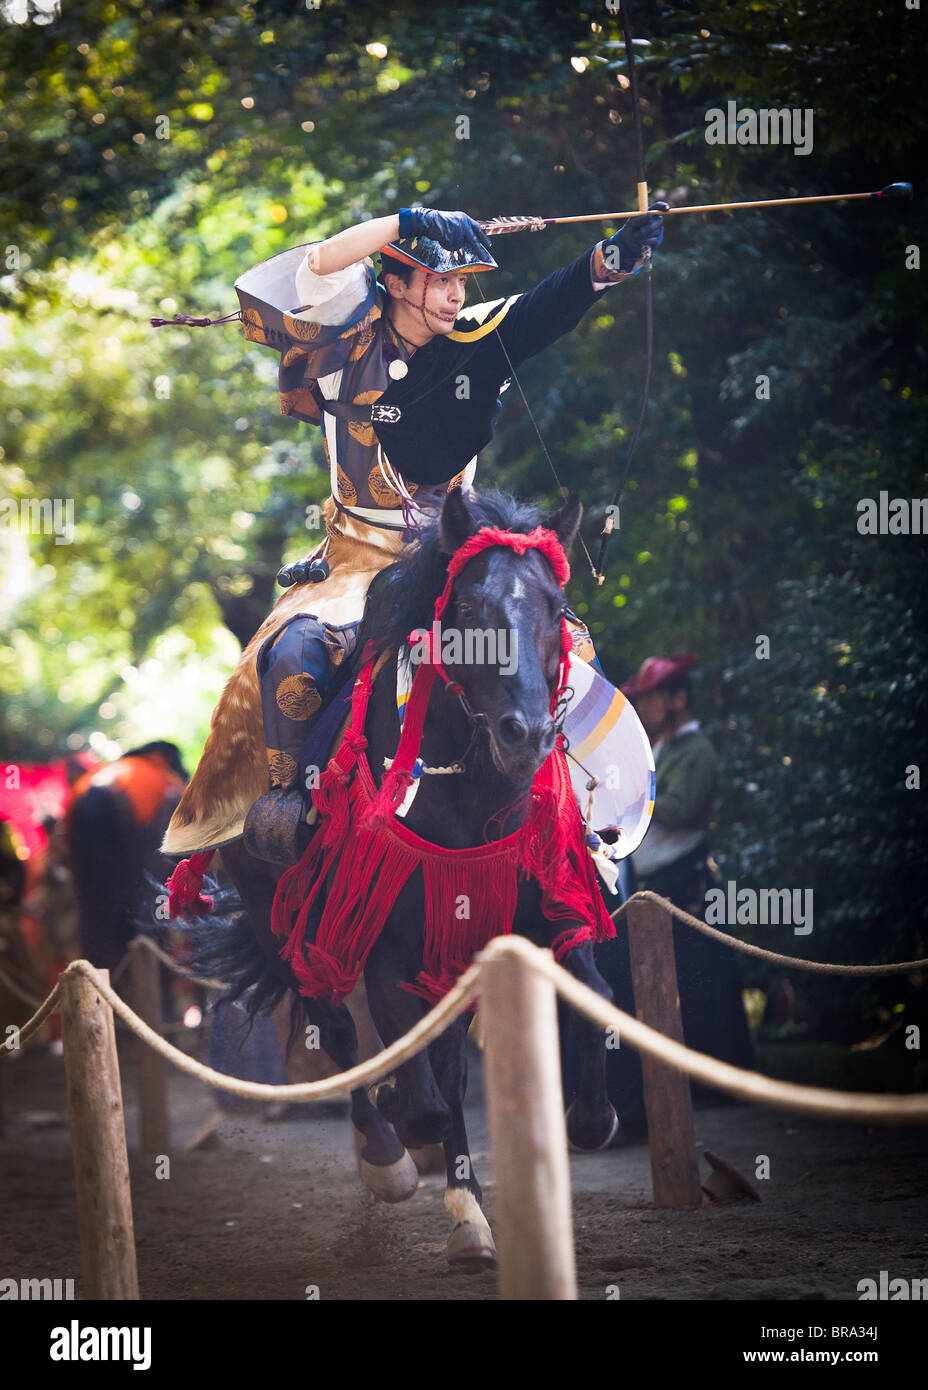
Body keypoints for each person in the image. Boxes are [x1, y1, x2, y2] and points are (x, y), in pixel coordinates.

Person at [160, 203, 667, 862]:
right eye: (440, 282)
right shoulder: (343, 341)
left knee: (568, 640)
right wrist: (405, 221)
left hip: (457, 556)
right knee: (293, 652)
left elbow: (548, 305)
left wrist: (611, 259)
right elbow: (317, 263)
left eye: (463, 285)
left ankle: (581, 825)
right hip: (357, 561)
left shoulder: (473, 339)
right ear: (395, 284)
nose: (457, 298)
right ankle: (289, 800)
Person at [623, 653, 754, 1086]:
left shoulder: (697, 749)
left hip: (687, 881)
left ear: (678, 699)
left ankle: (718, 1084)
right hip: (658, 882)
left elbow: (681, 809)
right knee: (672, 984)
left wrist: (636, 789)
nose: (644, 707)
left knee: (703, 988)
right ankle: (688, 1084)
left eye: (651, 698)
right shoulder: (660, 747)